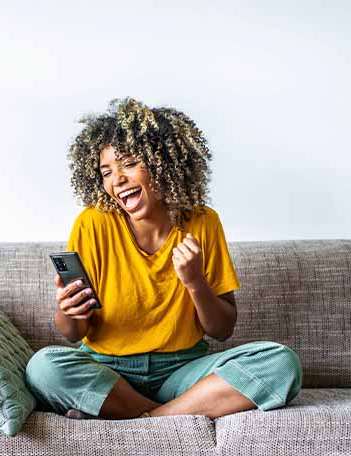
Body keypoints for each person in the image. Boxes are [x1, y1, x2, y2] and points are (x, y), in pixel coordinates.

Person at [25, 97, 303, 420]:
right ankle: (172, 416)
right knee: (42, 369)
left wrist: (196, 282)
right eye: (106, 172)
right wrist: (66, 310)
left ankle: (140, 418)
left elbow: (222, 329)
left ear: (162, 162)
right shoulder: (92, 224)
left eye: (129, 163)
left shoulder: (202, 222)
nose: (117, 180)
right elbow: (72, 333)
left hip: (183, 372)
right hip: (109, 372)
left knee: (282, 363)